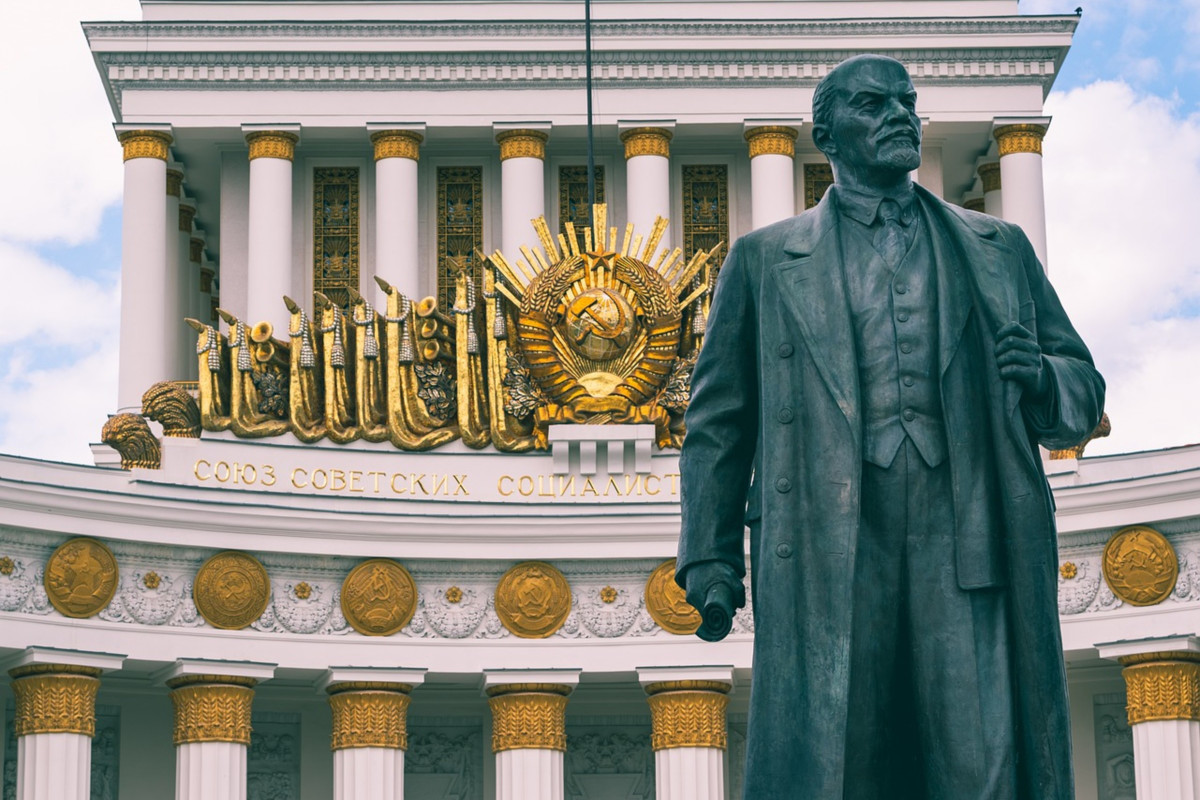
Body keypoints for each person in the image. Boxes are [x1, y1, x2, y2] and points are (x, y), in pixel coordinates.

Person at [676, 54, 1104, 799]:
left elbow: (1083, 390)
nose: (899, 116)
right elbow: (718, 421)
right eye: (872, 106)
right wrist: (710, 557)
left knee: (981, 766)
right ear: (826, 135)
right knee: (841, 764)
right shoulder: (763, 261)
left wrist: (1040, 375)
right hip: (829, 545)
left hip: (970, 540)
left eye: (905, 102)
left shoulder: (998, 248)